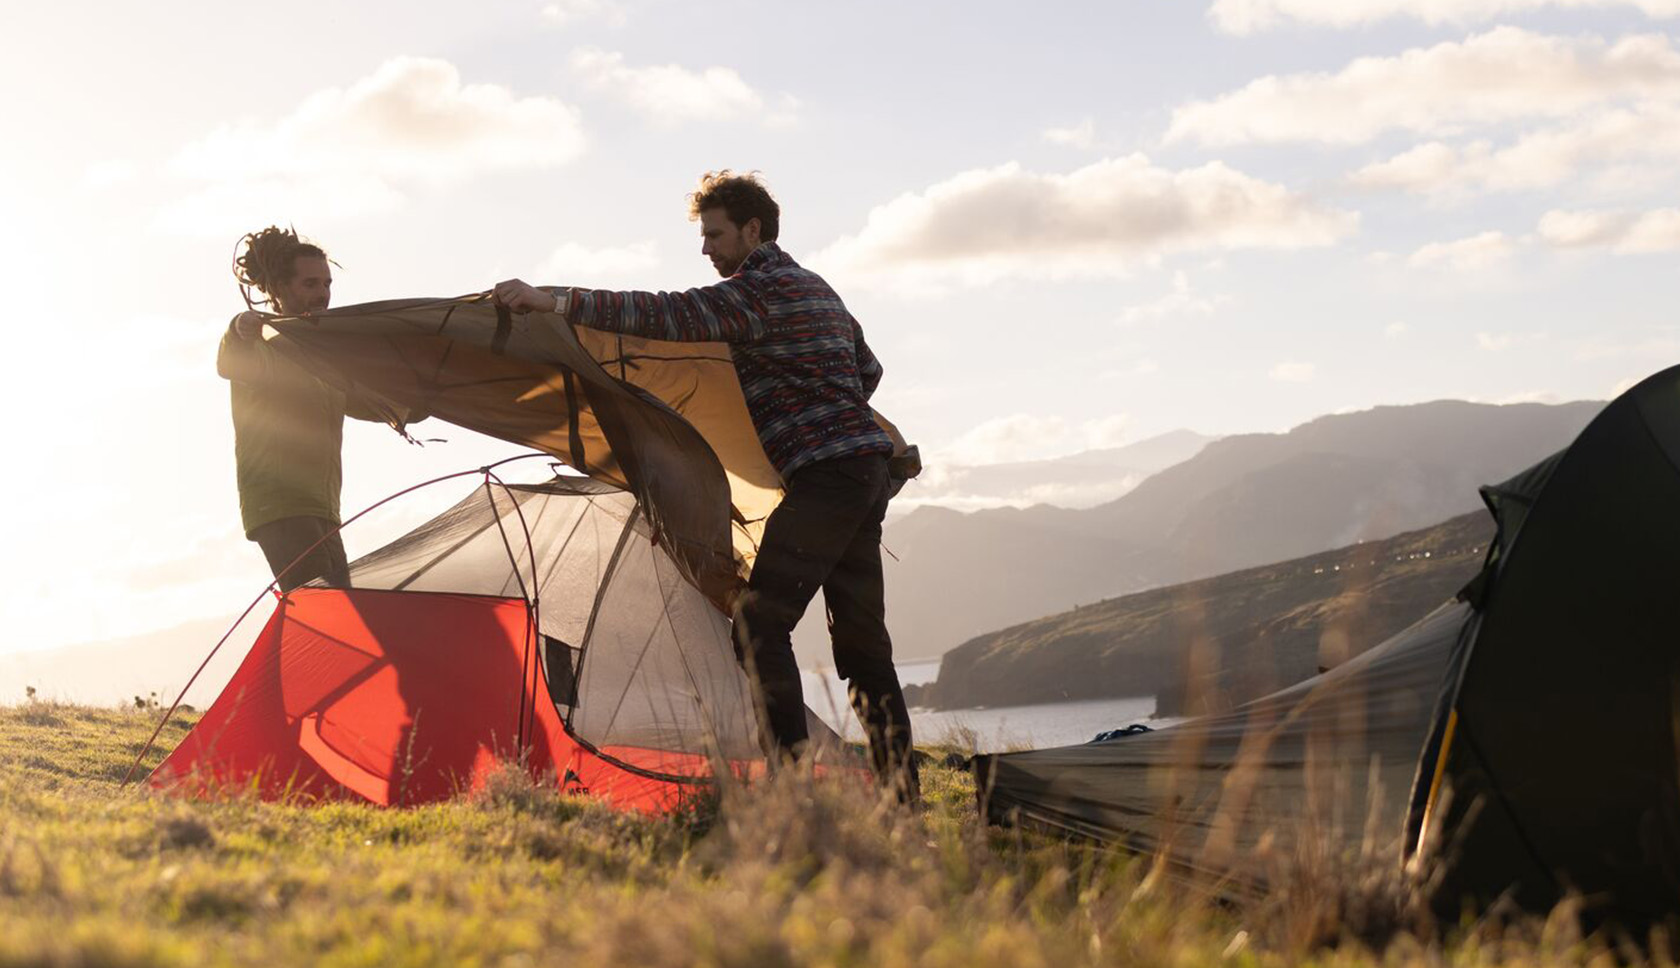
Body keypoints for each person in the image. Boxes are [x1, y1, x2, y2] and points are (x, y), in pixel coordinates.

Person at [492, 171, 919, 802]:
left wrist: (554, 302)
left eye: (715, 235)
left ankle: (795, 790)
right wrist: (818, 402)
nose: (706, 249)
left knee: (757, 622)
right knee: (861, 647)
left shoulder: (756, 292)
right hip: (864, 472)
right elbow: (868, 369)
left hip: (829, 478)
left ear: (753, 230)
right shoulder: (817, 288)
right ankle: (901, 801)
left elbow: (663, 313)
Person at [217, 226, 385, 591]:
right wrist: (237, 327)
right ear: (279, 289)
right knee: (329, 610)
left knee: (335, 612)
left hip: (322, 508)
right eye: (310, 284)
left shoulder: (319, 356)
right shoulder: (262, 346)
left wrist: (424, 398)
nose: (322, 294)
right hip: (282, 506)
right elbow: (232, 361)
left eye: (326, 284)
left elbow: (372, 401)